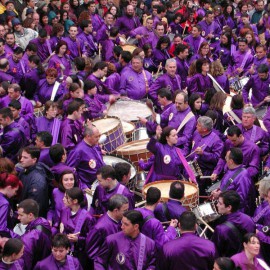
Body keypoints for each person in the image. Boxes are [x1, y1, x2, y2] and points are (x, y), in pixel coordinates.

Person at [86, 194, 129, 264]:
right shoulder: (99, 228)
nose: (127, 212)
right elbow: (91, 251)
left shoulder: (120, 220)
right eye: (125, 210)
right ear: (116, 211)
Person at [211, 148, 256, 215]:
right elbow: (225, 187)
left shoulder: (243, 176)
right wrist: (218, 191)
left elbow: (240, 199)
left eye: (226, 157)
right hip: (226, 208)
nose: (225, 159)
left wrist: (220, 195)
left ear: (231, 161)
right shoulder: (230, 170)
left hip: (237, 214)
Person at [211, 190, 255, 257]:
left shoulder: (221, 229)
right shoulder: (249, 219)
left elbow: (215, 252)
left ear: (229, 207)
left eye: (220, 203)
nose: (217, 205)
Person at [60, 187, 95, 268]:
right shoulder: (64, 210)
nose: (63, 199)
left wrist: (78, 239)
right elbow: (61, 223)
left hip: (79, 254)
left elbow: (91, 239)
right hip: (64, 250)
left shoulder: (87, 217)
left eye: (66, 198)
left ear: (75, 201)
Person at [187, 116, 224, 192]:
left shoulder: (216, 141)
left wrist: (203, 153)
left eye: (199, 125)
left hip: (204, 172)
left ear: (205, 129)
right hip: (191, 166)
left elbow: (217, 158)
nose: (196, 126)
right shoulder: (196, 132)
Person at [19, 146, 53, 218]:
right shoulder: (24, 171)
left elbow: (34, 204)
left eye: (25, 158)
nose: (21, 160)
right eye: (21, 157)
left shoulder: (38, 180)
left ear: (34, 160)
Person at [67, 126, 105, 190]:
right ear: (88, 136)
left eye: (99, 136)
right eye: (96, 137)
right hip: (89, 186)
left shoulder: (94, 145)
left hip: (101, 180)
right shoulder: (78, 151)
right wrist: (82, 185)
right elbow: (69, 169)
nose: (98, 139)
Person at [18, 199, 51, 270]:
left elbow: (26, 262)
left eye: (21, 215)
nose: (18, 217)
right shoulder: (43, 222)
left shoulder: (30, 237)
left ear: (30, 215)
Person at [0, 173, 22, 238]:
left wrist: (18, 214)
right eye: (15, 191)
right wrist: (18, 237)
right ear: (9, 188)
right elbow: (1, 228)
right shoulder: (4, 203)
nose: (15, 194)